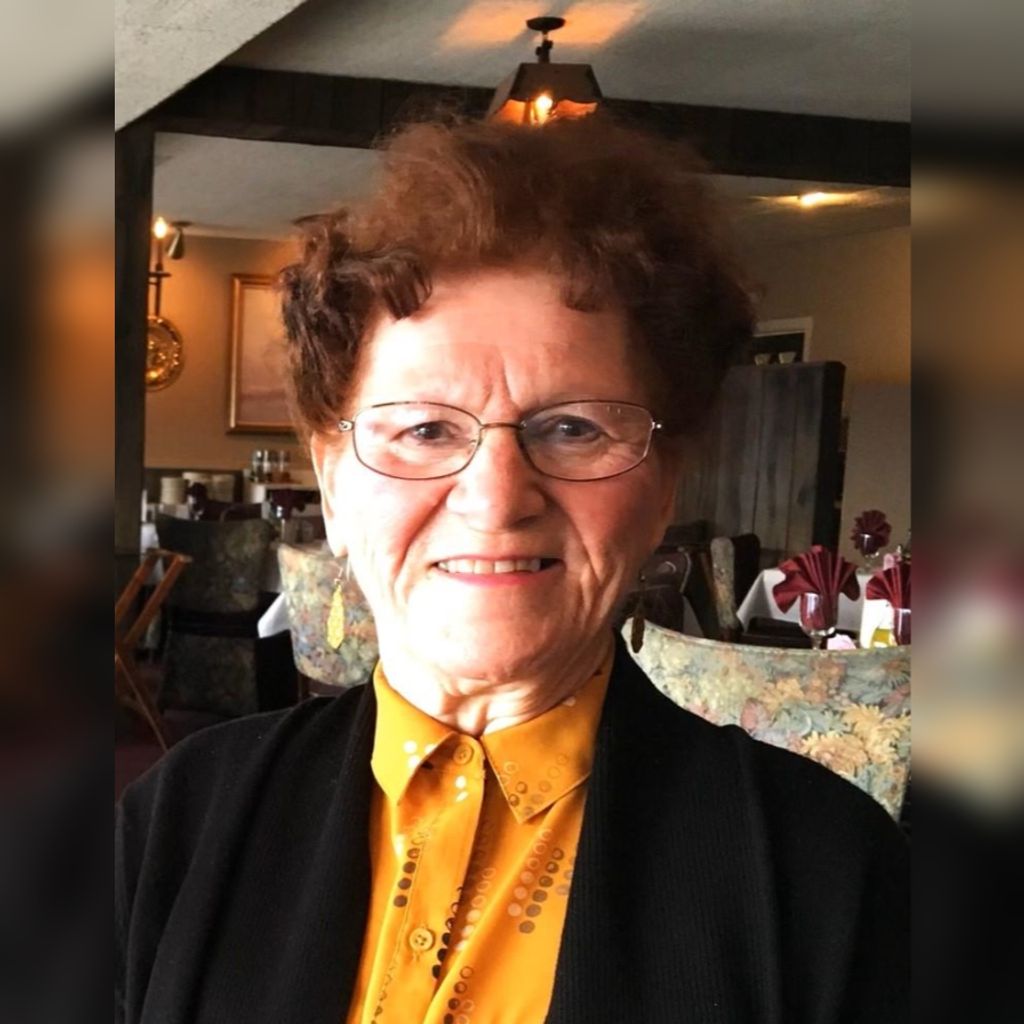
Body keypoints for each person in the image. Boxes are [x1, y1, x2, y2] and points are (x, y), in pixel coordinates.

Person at [116, 115, 908, 1023]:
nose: (495, 498)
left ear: (662, 487)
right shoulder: (180, 818)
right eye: (424, 429)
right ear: (333, 484)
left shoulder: (828, 875)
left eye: (572, 427)